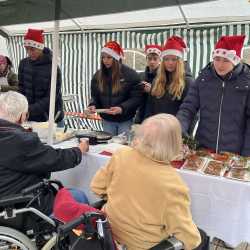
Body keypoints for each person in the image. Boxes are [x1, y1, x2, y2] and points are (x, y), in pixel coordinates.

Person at [91, 114, 201, 250]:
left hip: (107, 233)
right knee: (200, 238)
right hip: (140, 245)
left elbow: (96, 187)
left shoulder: (122, 155)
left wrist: (122, 201)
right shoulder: (173, 184)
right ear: (174, 144)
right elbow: (189, 238)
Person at [0, 91, 89, 215]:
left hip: (9, 198)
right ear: (23, 116)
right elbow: (54, 159)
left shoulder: (12, 137)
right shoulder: (20, 140)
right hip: (22, 206)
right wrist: (78, 151)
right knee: (79, 196)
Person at [177, 35, 250, 156]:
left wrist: (246, 155)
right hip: (204, 148)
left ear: (236, 60)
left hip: (234, 152)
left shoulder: (246, 81)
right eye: (217, 59)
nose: (220, 65)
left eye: (226, 60)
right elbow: (188, 108)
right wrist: (179, 129)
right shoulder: (204, 78)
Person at [88, 41, 142, 136]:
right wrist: (93, 104)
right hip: (107, 120)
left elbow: (136, 98)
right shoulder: (97, 76)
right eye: (103, 57)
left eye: (109, 57)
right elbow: (95, 96)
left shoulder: (131, 75)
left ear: (116, 58)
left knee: (124, 147)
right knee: (109, 147)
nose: (105, 60)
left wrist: (122, 108)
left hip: (125, 120)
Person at [18, 28, 64, 124]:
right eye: (27, 49)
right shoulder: (23, 64)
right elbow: (21, 88)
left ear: (41, 47)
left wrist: (30, 110)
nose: (29, 53)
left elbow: (51, 96)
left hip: (50, 117)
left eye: (32, 49)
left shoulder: (53, 67)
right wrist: (21, 107)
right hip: (29, 116)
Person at [144, 36, 194, 119]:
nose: (170, 63)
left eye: (174, 59)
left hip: (176, 129)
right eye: (166, 59)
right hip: (157, 127)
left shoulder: (187, 82)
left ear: (179, 61)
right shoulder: (157, 80)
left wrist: (182, 130)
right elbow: (150, 107)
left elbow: (191, 111)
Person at [134, 44, 162, 124]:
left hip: (156, 118)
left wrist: (152, 91)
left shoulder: (163, 78)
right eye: (149, 59)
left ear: (159, 60)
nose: (152, 61)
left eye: (155, 59)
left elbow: (166, 99)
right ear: (146, 59)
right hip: (141, 116)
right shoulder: (141, 76)